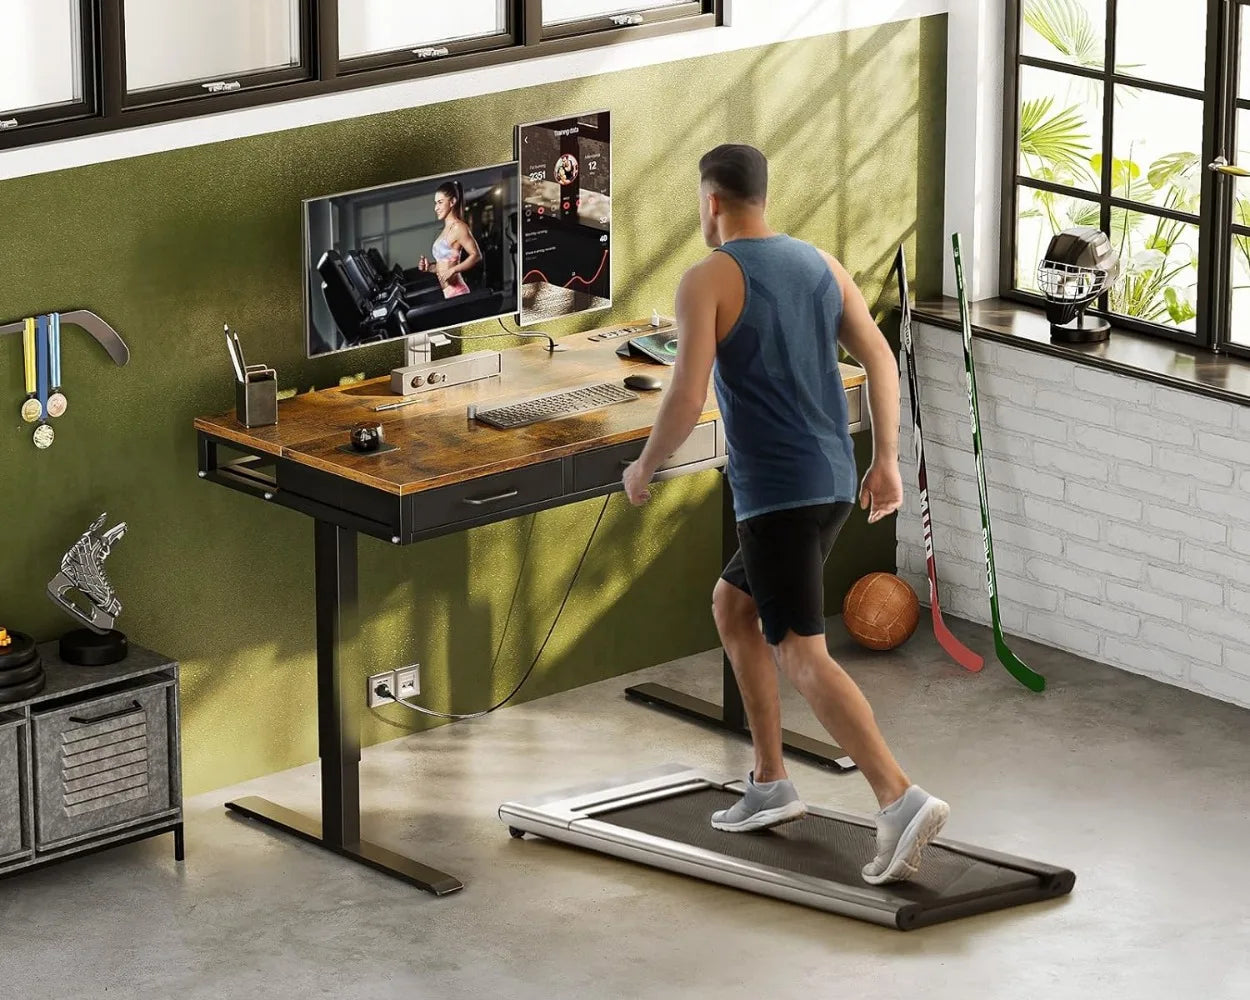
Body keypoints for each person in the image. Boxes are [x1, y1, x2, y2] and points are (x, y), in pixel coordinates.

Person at [621, 143, 949, 886]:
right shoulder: (820, 266)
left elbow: (684, 394)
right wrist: (888, 460)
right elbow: (882, 360)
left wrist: (644, 467)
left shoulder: (706, 278)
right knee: (734, 606)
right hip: (835, 481)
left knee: (803, 650)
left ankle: (898, 799)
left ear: (711, 202)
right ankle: (769, 782)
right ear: (762, 196)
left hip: (776, 494)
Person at [418, 180, 480, 299]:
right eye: (435, 203)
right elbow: (443, 266)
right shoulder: (444, 231)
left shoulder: (459, 227)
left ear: (452, 202)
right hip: (447, 293)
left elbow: (476, 255)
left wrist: (453, 270)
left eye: (440, 202)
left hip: (458, 292)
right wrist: (429, 267)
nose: (436, 208)